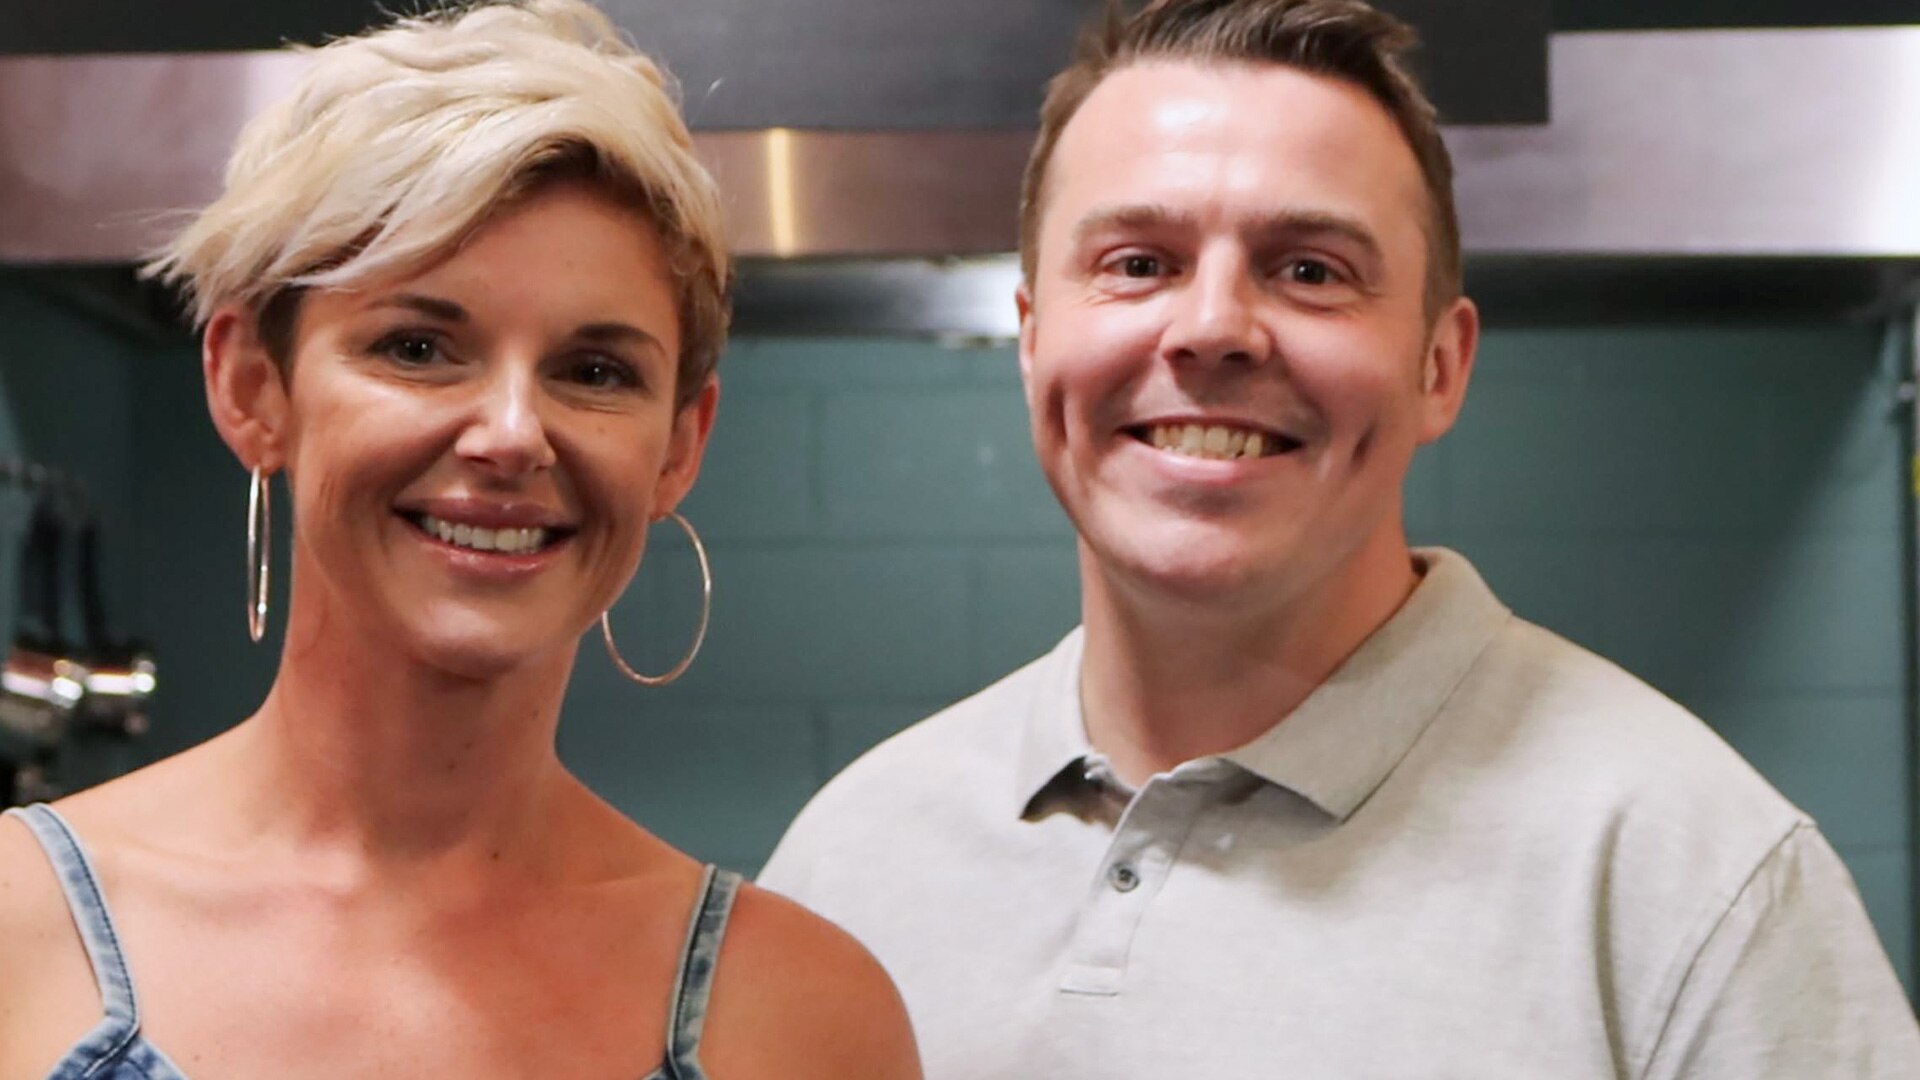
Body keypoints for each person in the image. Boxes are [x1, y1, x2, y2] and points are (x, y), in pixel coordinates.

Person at [758, 0, 1920, 1076]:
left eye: (1310, 271)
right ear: (1029, 340)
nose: (1212, 327)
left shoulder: (1693, 880)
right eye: (1138, 264)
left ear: (1440, 366)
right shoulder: (850, 867)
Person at [0, 3, 920, 1078]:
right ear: (252, 385)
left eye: (594, 371)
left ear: (680, 446)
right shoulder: (20, 932)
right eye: (419, 347)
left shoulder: (803, 1016)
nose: (513, 434)